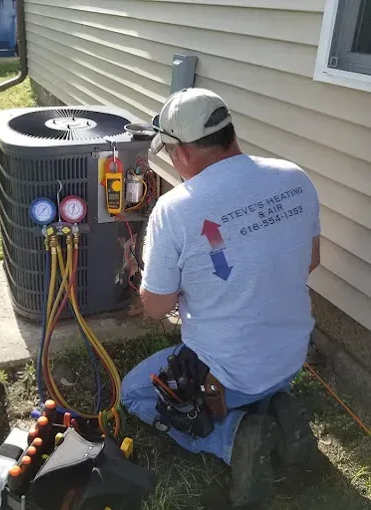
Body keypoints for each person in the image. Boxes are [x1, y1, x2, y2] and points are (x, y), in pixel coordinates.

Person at [121, 88, 321, 507]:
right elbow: (310, 261)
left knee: (135, 392)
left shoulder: (176, 210)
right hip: (290, 358)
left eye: (171, 154)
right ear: (228, 131)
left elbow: (156, 308)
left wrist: (141, 278)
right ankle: (277, 406)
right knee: (253, 367)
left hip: (229, 377)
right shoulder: (294, 178)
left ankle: (234, 439)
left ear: (182, 153)